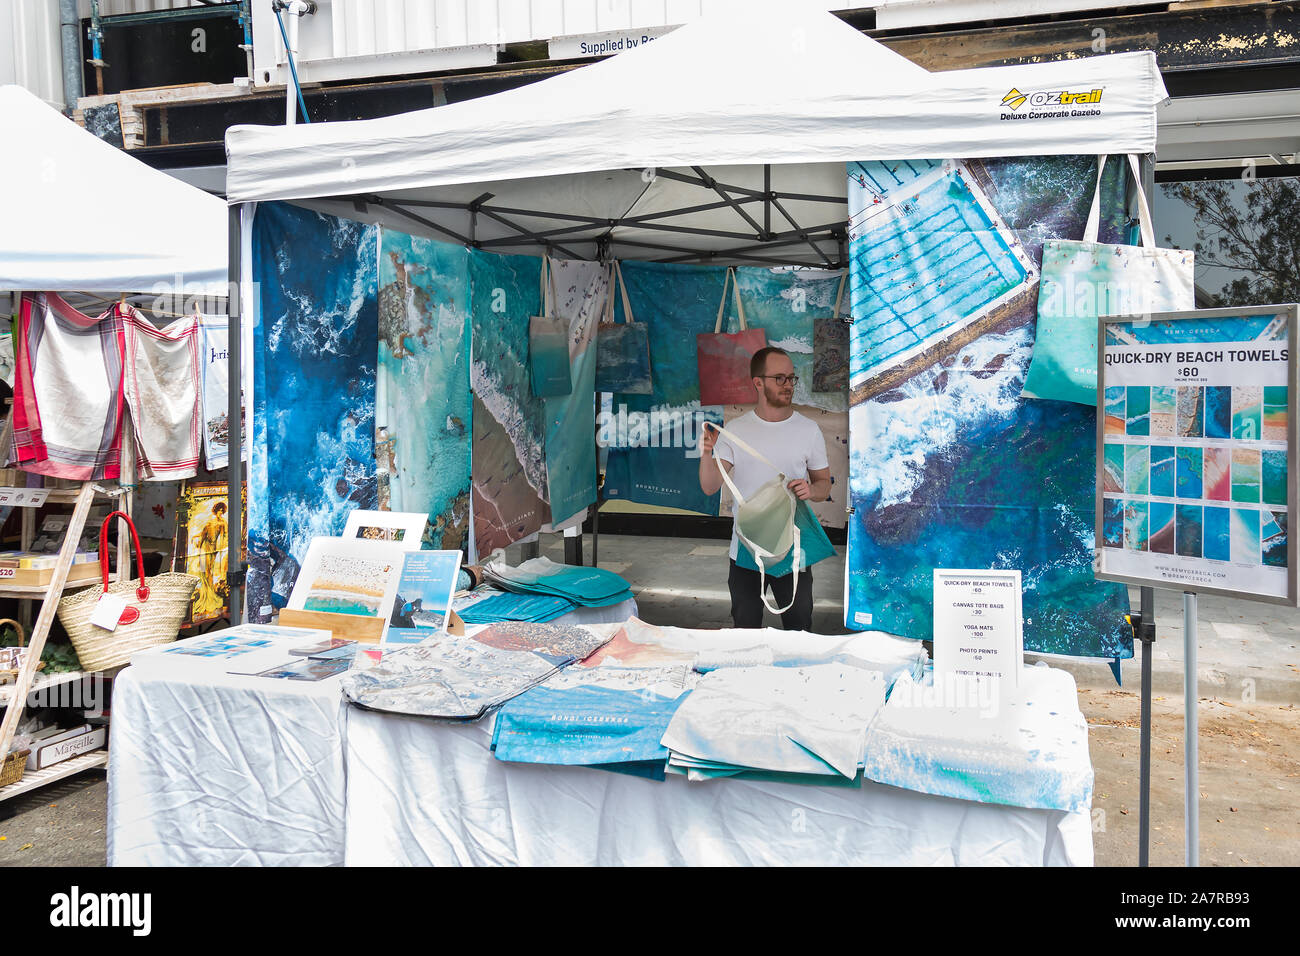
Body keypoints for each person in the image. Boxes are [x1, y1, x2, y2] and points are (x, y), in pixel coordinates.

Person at [698, 346, 831, 630]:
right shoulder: (736, 431)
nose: (788, 386)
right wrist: (706, 454)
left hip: (793, 550)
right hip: (747, 550)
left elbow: (822, 485)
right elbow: (709, 487)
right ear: (758, 383)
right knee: (746, 632)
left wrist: (811, 490)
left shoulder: (808, 430)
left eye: (791, 378)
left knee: (799, 631)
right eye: (779, 378)